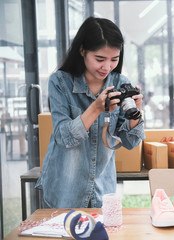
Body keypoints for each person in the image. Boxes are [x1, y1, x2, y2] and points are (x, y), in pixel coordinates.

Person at [35, 17, 145, 209]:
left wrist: (135, 114)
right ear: (82, 50)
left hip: (103, 191)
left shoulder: (120, 82)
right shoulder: (60, 82)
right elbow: (63, 138)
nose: (107, 67)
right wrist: (96, 108)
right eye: (100, 59)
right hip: (65, 190)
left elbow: (130, 143)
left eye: (114, 59)